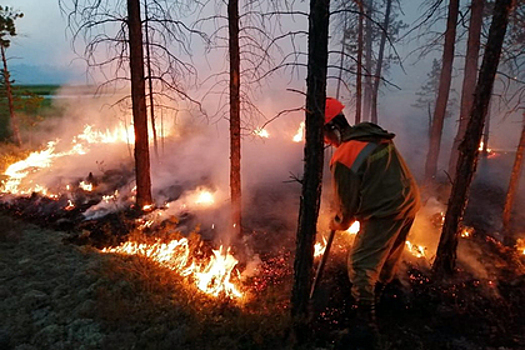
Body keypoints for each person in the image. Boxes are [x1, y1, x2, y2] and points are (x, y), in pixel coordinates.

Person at [324, 97, 420, 348]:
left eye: (325, 135)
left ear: (332, 128)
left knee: (360, 264)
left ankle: (365, 329)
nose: (326, 142)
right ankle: (380, 300)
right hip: (408, 201)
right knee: (387, 257)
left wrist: (336, 222)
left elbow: (347, 211)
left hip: (385, 210)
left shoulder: (343, 157)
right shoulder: (370, 132)